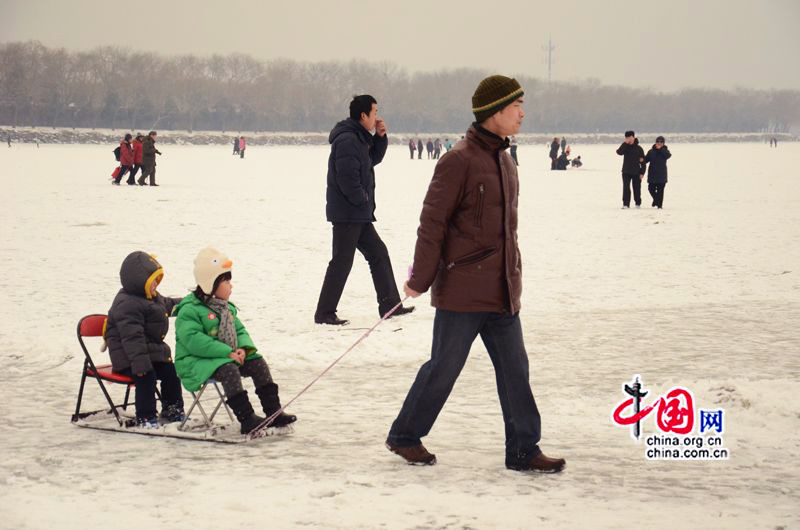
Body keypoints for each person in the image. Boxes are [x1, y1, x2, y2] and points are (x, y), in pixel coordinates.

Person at [386, 75, 565, 474]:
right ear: (494, 112)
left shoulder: (504, 158)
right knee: (443, 368)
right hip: (464, 289)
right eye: (516, 106)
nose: (522, 113)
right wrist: (421, 278)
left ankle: (523, 449)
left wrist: (513, 273)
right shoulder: (458, 160)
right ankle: (404, 436)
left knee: (516, 370)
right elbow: (432, 223)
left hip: (502, 289)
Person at [314, 95, 414, 325]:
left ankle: (390, 305)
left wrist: (380, 137)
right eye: (375, 112)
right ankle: (324, 313)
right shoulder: (348, 140)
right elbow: (347, 177)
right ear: (363, 115)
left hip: (357, 212)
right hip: (348, 213)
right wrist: (362, 198)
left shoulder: (359, 137)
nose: (377, 117)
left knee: (378, 254)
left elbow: (371, 160)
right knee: (342, 262)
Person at [175, 247, 297, 434]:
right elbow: (195, 342)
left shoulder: (226, 309)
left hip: (225, 357)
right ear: (211, 284)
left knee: (258, 363)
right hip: (196, 362)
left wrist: (243, 349)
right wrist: (227, 352)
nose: (231, 286)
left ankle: (273, 412)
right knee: (229, 369)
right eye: (226, 281)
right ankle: (247, 418)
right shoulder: (189, 310)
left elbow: (239, 331)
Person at [105, 251, 184, 427]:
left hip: (147, 354)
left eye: (158, 279)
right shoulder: (126, 303)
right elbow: (132, 339)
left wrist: (190, 303)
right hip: (128, 359)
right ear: (139, 281)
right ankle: (146, 416)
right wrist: (140, 366)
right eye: (153, 280)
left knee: (170, 371)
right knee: (146, 375)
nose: (156, 283)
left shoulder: (151, 297)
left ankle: (173, 410)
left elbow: (169, 305)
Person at [616, 130, 645, 208]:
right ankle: (626, 204)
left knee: (637, 188)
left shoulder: (639, 148)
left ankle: (638, 203)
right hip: (626, 171)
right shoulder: (625, 147)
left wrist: (642, 173)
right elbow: (619, 152)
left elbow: (643, 162)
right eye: (627, 137)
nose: (628, 139)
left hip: (636, 172)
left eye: (630, 137)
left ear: (633, 137)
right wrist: (625, 143)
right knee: (626, 188)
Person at [645, 135, 671, 209]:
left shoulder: (665, 151)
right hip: (652, 174)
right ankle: (656, 200)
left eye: (661, 142)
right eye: (658, 142)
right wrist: (640, 159)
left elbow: (668, 156)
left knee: (660, 191)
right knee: (651, 189)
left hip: (662, 175)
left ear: (663, 143)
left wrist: (661, 149)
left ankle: (659, 205)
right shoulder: (651, 151)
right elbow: (645, 160)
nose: (659, 143)